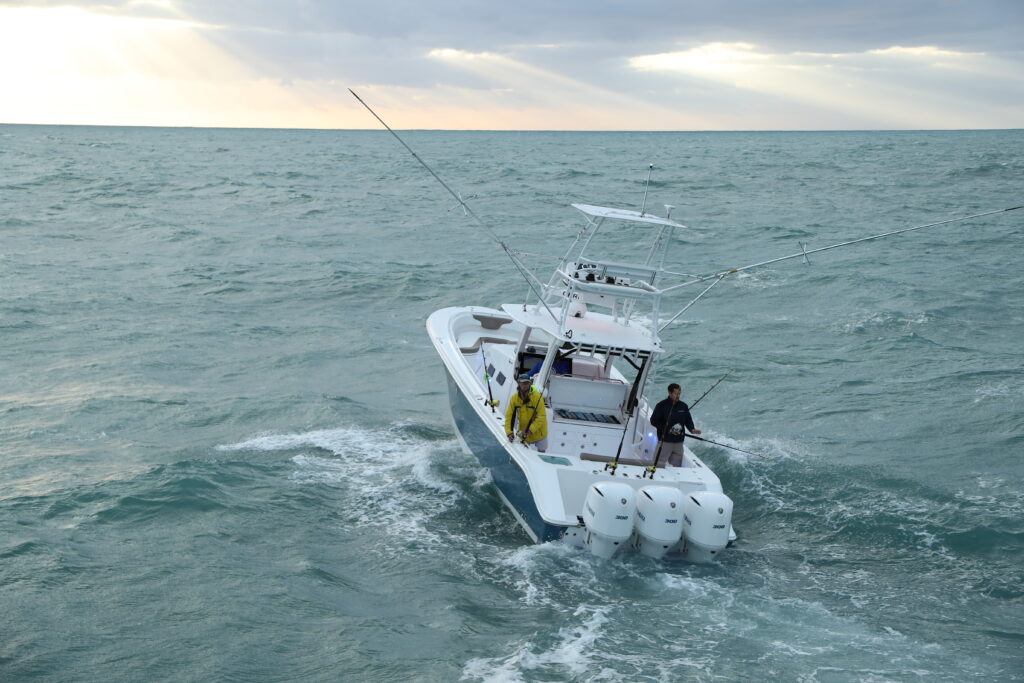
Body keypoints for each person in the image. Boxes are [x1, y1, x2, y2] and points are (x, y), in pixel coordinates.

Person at [649, 383, 701, 467]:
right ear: (669, 393)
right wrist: (666, 429)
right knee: (656, 465)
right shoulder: (661, 406)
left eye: (679, 393)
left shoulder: (683, 406)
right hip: (665, 442)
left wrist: (692, 429)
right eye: (675, 393)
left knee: (676, 467)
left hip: (679, 442)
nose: (677, 396)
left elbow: (688, 420)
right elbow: (653, 421)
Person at [505, 373, 548, 452]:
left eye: (527, 383)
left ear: (530, 383)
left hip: (539, 431)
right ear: (519, 383)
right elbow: (509, 416)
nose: (525, 385)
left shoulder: (537, 397)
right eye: (523, 383)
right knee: (523, 451)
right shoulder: (514, 398)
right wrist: (509, 432)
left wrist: (530, 430)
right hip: (524, 432)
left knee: (542, 452)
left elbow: (541, 416)